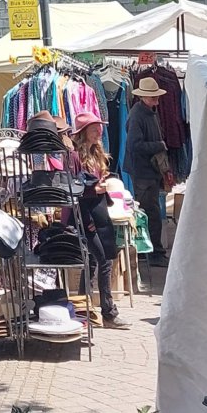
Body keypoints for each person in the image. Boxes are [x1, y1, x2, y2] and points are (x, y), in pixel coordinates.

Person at [72, 118, 127, 329]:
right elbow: (73, 185)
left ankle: (83, 308)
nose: (99, 132)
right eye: (94, 128)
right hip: (86, 213)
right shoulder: (75, 156)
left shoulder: (97, 154)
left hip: (100, 211)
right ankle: (108, 313)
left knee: (95, 260)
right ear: (84, 131)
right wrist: (92, 190)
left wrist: (102, 183)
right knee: (101, 260)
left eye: (100, 128)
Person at [123, 76, 171, 257]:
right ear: (143, 96)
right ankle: (152, 253)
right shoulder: (138, 115)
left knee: (150, 212)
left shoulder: (148, 111)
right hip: (143, 172)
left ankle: (151, 251)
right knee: (149, 213)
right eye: (153, 97)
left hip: (148, 171)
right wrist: (159, 145)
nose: (156, 100)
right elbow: (134, 145)